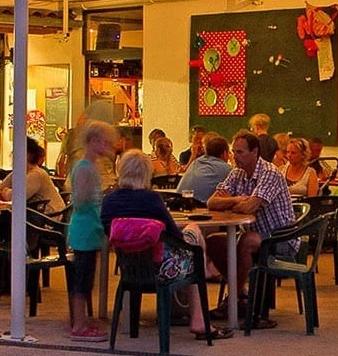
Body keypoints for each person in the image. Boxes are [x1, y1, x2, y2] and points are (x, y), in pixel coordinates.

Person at [99, 150, 231, 339]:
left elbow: (109, 232)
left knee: (193, 252)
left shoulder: (109, 201)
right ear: (147, 173)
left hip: (130, 269)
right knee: (193, 235)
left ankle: (202, 268)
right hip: (161, 268)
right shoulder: (152, 199)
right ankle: (200, 319)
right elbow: (175, 236)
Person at [206, 131, 295, 323]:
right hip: (255, 235)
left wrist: (231, 202)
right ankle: (242, 295)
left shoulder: (270, 173)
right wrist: (238, 199)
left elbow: (250, 207)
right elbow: (212, 203)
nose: (235, 157)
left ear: (255, 152)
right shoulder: (236, 173)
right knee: (213, 242)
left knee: (247, 241)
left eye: (240, 152)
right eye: (233, 152)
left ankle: (233, 300)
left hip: (281, 239)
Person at [67, 120, 115, 342]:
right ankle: (79, 324)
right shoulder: (85, 168)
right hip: (85, 231)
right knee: (82, 279)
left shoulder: (89, 166)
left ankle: (82, 321)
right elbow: (83, 200)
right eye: (105, 142)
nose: (108, 147)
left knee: (86, 277)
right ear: (93, 142)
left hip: (89, 230)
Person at [0, 137, 66, 216]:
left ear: (27, 154)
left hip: (50, 217)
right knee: (2, 220)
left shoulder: (36, 174)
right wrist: (5, 192)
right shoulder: (18, 173)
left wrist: (5, 191)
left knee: (4, 220)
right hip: (34, 216)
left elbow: (16, 197)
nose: (12, 155)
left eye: (15, 152)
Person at [180, 135, 232, 205]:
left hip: (180, 202)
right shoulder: (227, 169)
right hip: (200, 207)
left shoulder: (195, 162)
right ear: (225, 154)